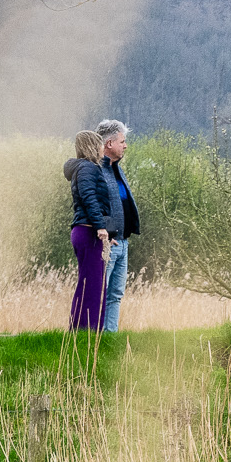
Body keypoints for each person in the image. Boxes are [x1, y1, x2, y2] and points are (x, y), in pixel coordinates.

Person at [67, 129, 118, 332]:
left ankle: (81, 331)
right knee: (93, 285)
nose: (101, 149)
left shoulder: (84, 168)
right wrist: (100, 228)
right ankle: (88, 331)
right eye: (99, 145)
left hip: (88, 232)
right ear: (92, 147)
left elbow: (99, 204)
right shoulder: (88, 168)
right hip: (88, 232)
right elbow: (89, 198)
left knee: (90, 282)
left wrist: (108, 234)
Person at [95, 119, 140, 332]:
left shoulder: (116, 169)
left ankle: (110, 336)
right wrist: (109, 233)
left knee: (115, 294)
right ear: (109, 143)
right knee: (101, 293)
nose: (125, 145)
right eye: (122, 141)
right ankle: (95, 337)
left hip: (122, 242)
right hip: (109, 242)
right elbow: (97, 204)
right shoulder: (97, 171)